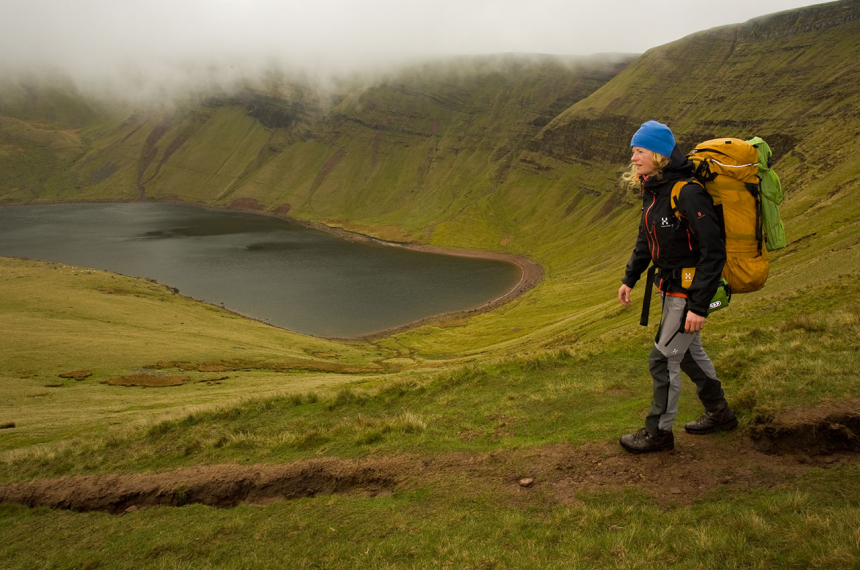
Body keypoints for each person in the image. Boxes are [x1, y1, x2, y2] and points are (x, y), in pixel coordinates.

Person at [617, 120, 737, 454]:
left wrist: (699, 307)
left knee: (662, 359)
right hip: (668, 287)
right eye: (633, 151)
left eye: (639, 151)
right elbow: (647, 239)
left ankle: (658, 432)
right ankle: (720, 412)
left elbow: (713, 251)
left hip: (687, 293)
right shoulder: (654, 190)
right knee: (686, 354)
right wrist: (630, 277)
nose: (634, 158)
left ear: (658, 154)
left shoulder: (687, 192)